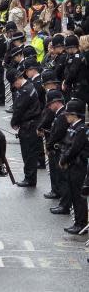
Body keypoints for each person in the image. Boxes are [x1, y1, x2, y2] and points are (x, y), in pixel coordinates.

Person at [7, 67, 43, 187]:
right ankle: (30, 177)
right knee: (31, 153)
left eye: (14, 84)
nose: (15, 86)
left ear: (17, 80)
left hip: (28, 126)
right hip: (33, 124)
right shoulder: (30, 86)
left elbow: (19, 109)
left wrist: (14, 122)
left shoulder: (24, 91)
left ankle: (30, 178)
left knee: (28, 153)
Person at [59, 99, 89, 235]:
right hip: (72, 165)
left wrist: (64, 159)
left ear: (75, 115)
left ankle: (81, 223)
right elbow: (66, 144)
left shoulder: (81, 129)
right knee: (74, 194)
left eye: (68, 114)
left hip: (78, 166)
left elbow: (74, 148)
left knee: (78, 196)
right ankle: (78, 221)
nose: (66, 116)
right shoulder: (73, 127)